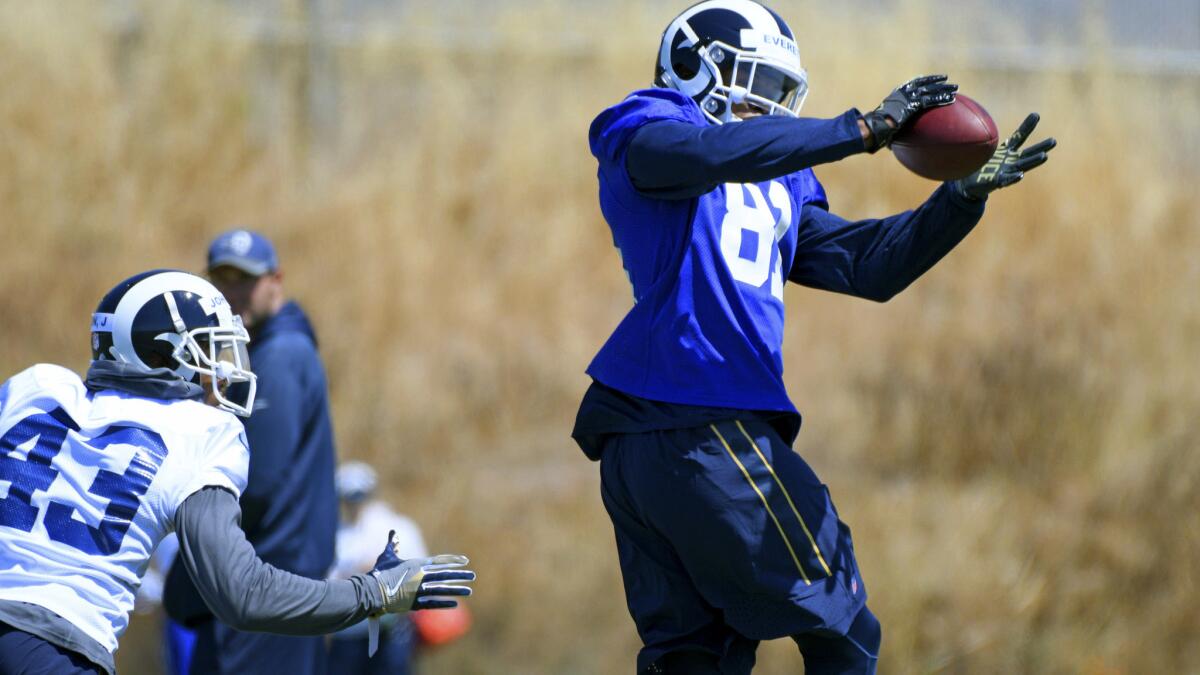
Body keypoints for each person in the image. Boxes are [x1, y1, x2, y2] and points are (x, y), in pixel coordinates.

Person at [570, 2, 1056, 673]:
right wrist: (862, 129)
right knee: (842, 615)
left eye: (778, 91)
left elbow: (868, 264)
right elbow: (706, 153)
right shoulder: (648, 125)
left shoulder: (780, 176)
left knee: (695, 655)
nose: (768, 105)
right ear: (691, 66)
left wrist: (958, 199)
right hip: (701, 416)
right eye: (755, 82)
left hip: (646, 441)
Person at [0, 270, 475, 675]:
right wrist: (374, 592)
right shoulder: (200, 431)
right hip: (52, 649)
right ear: (168, 353)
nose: (221, 370)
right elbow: (242, 594)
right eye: (209, 350)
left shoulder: (36, 387)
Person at [165, 229, 340, 674]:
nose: (232, 291)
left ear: (276, 280)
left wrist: (192, 572)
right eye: (221, 279)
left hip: (264, 596)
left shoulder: (279, 357)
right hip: (274, 598)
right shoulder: (266, 351)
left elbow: (255, 484)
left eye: (245, 279)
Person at [327, 461, 443, 675]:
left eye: (360, 496)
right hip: (349, 633)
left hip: (394, 630)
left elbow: (423, 573)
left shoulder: (399, 527)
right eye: (349, 497)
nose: (355, 504)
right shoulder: (336, 535)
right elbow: (326, 582)